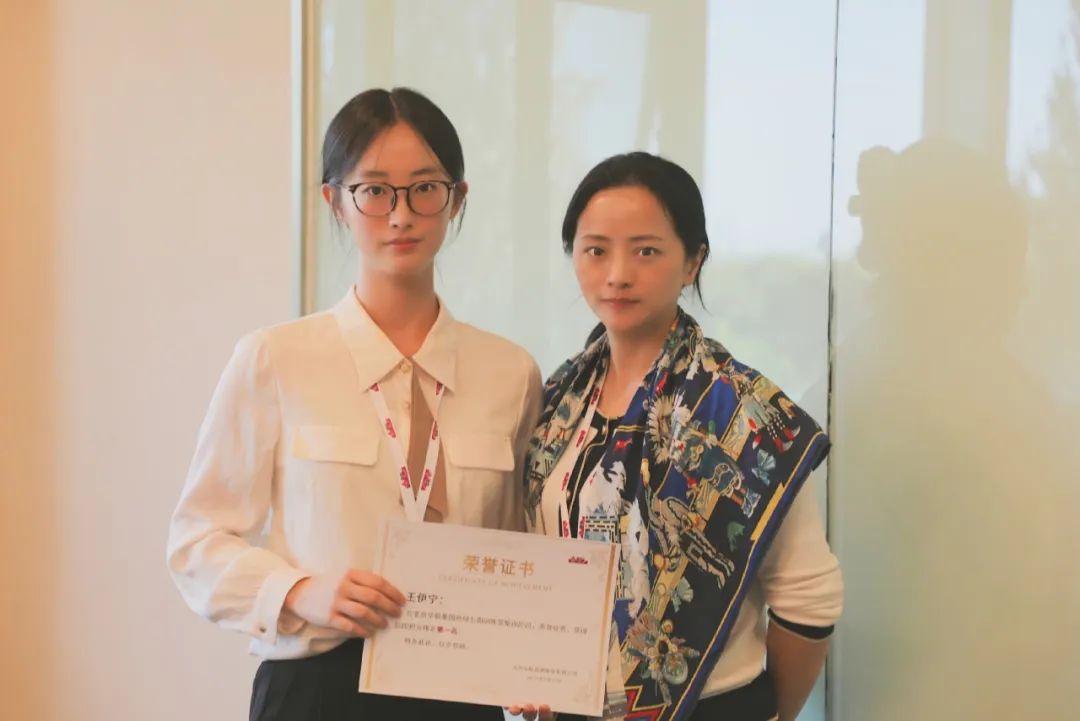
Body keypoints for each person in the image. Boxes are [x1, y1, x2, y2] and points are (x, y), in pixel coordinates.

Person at [167, 87, 542, 721]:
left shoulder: (510, 373)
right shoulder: (275, 359)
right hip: (317, 689)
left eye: (425, 189)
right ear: (335, 201)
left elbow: (521, 548)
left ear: (457, 198)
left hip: (462, 693)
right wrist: (298, 591)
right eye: (374, 191)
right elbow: (195, 543)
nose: (401, 215)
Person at [516, 152, 842, 721]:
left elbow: (808, 599)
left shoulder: (738, 411)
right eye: (596, 250)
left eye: (646, 250)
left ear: (693, 261)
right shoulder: (557, 400)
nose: (618, 273)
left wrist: (775, 714)